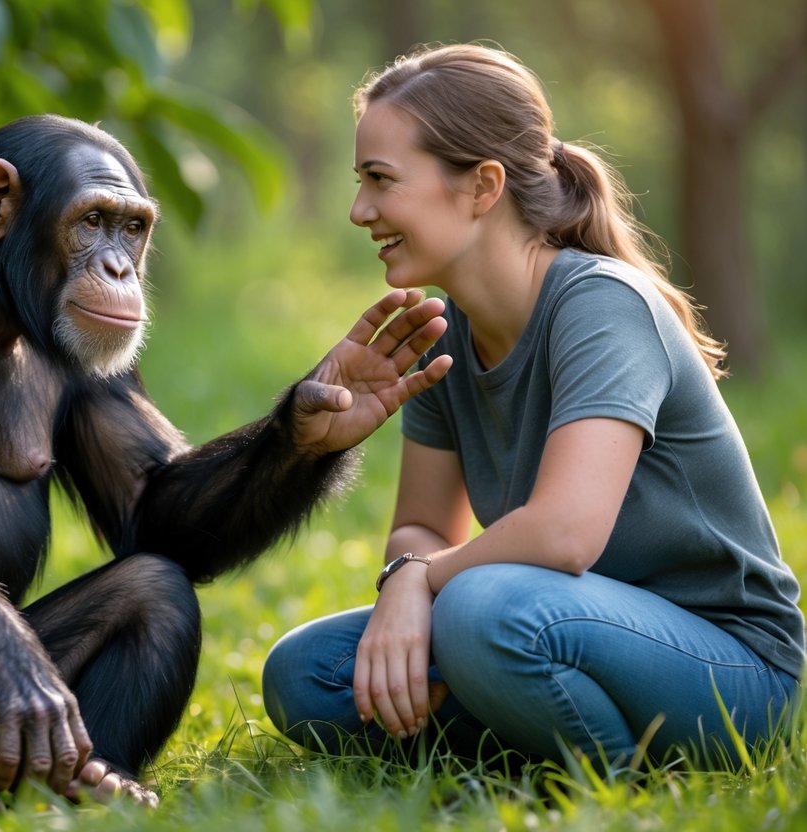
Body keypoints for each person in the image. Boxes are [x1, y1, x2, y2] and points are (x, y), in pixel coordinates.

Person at [261, 43, 803, 768]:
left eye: (380, 180)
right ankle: (526, 734)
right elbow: (421, 525)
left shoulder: (600, 305)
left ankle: (613, 791)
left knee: (480, 611)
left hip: (732, 671)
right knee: (305, 674)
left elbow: (563, 534)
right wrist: (403, 583)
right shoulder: (441, 334)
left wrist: (423, 581)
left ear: (482, 185)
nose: (360, 210)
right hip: (553, 623)